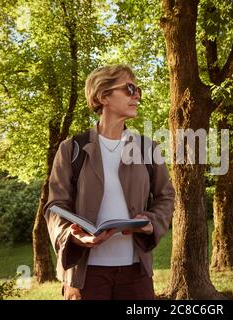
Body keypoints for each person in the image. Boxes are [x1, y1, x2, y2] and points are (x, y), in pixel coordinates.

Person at [43, 64, 175, 300]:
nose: (136, 96)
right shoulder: (71, 149)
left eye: (139, 91)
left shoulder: (148, 148)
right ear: (103, 96)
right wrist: (73, 236)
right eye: (130, 89)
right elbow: (55, 206)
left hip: (136, 273)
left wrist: (151, 221)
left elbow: (166, 196)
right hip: (85, 276)